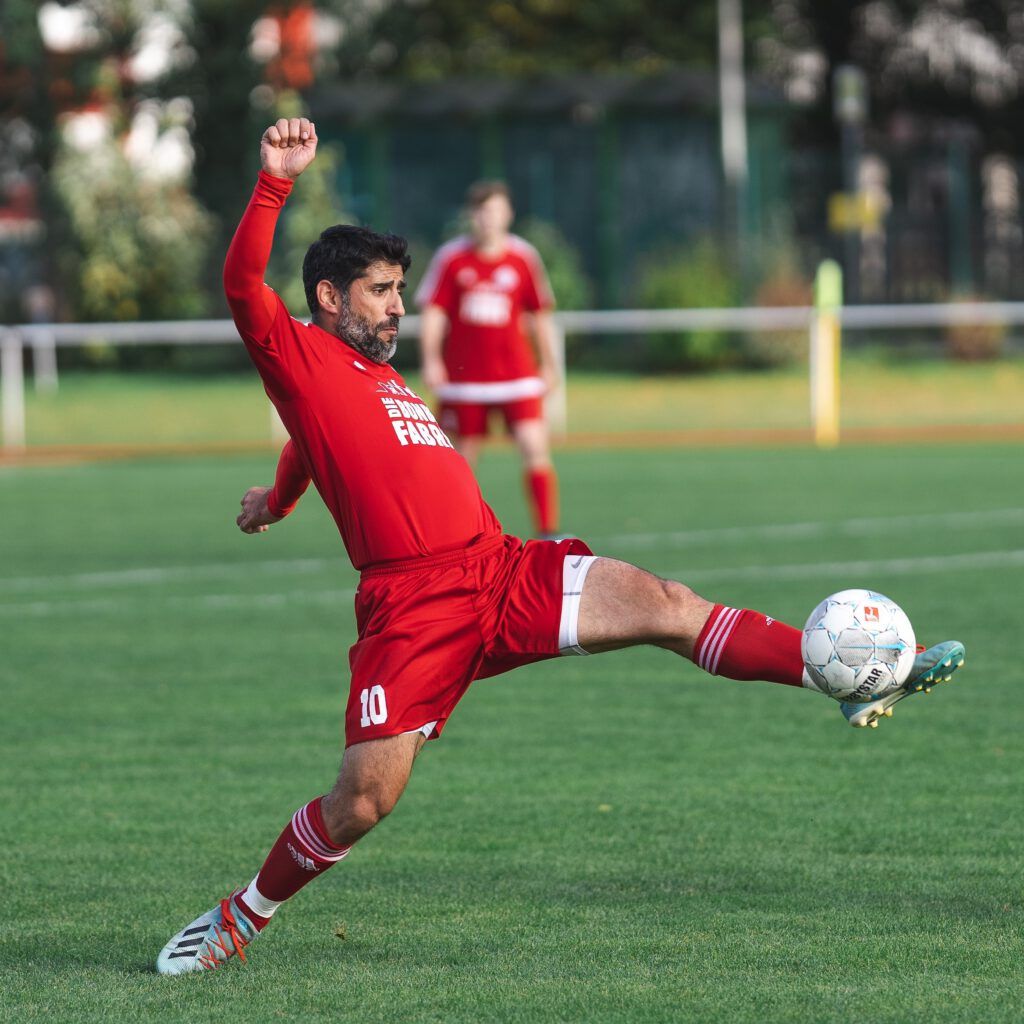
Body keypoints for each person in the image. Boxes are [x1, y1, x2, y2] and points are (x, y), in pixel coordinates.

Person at [156, 118, 965, 975]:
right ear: (329, 297)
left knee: (669, 604)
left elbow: (308, 448)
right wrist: (275, 180)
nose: (402, 305)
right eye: (383, 290)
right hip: (415, 607)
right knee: (362, 801)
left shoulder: (380, 372)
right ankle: (241, 916)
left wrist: (274, 499)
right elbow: (242, 283)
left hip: (503, 569)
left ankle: (838, 673)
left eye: (400, 289)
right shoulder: (297, 353)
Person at [416, 180, 563, 538]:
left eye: (496, 210)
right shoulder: (452, 258)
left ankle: (548, 531)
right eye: (482, 211)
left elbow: (540, 314)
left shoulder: (523, 257)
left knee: (535, 448)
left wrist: (549, 363)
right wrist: (432, 360)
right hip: (465, 381)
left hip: (517, 375)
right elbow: (434, 314)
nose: (489, 219)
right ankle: (453, 532)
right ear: (472, 216)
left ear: (508, 214)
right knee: (460, 461)